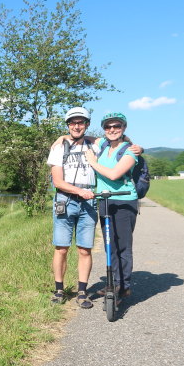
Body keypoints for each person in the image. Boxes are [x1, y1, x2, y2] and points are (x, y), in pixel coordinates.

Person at [47, 107, 98, 308]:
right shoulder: (59, 147)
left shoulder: (96, 145)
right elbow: (58, 181)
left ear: (86, 125)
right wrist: (79, 191)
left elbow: (119, 142)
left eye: (81, 122)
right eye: (72, 123)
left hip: (89, 201)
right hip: (65, 200)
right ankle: (59, 290)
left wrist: (138, 148)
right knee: (61, 248)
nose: (77, 126)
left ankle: (82, 292)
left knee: (85, 249)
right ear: (68, 125)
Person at [85, 112, 139, 299]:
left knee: (122, 245)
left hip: (124, 200)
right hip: (105, 200)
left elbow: (114, 174)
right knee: (110, 245)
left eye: (117, 126)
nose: (112, 130)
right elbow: (84, 135)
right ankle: (114, 283)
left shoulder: (130, 150)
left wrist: (92, 162)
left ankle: (124, 286)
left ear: (123, 128)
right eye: (108, 127)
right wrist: (61, 137)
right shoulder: (103, 144)